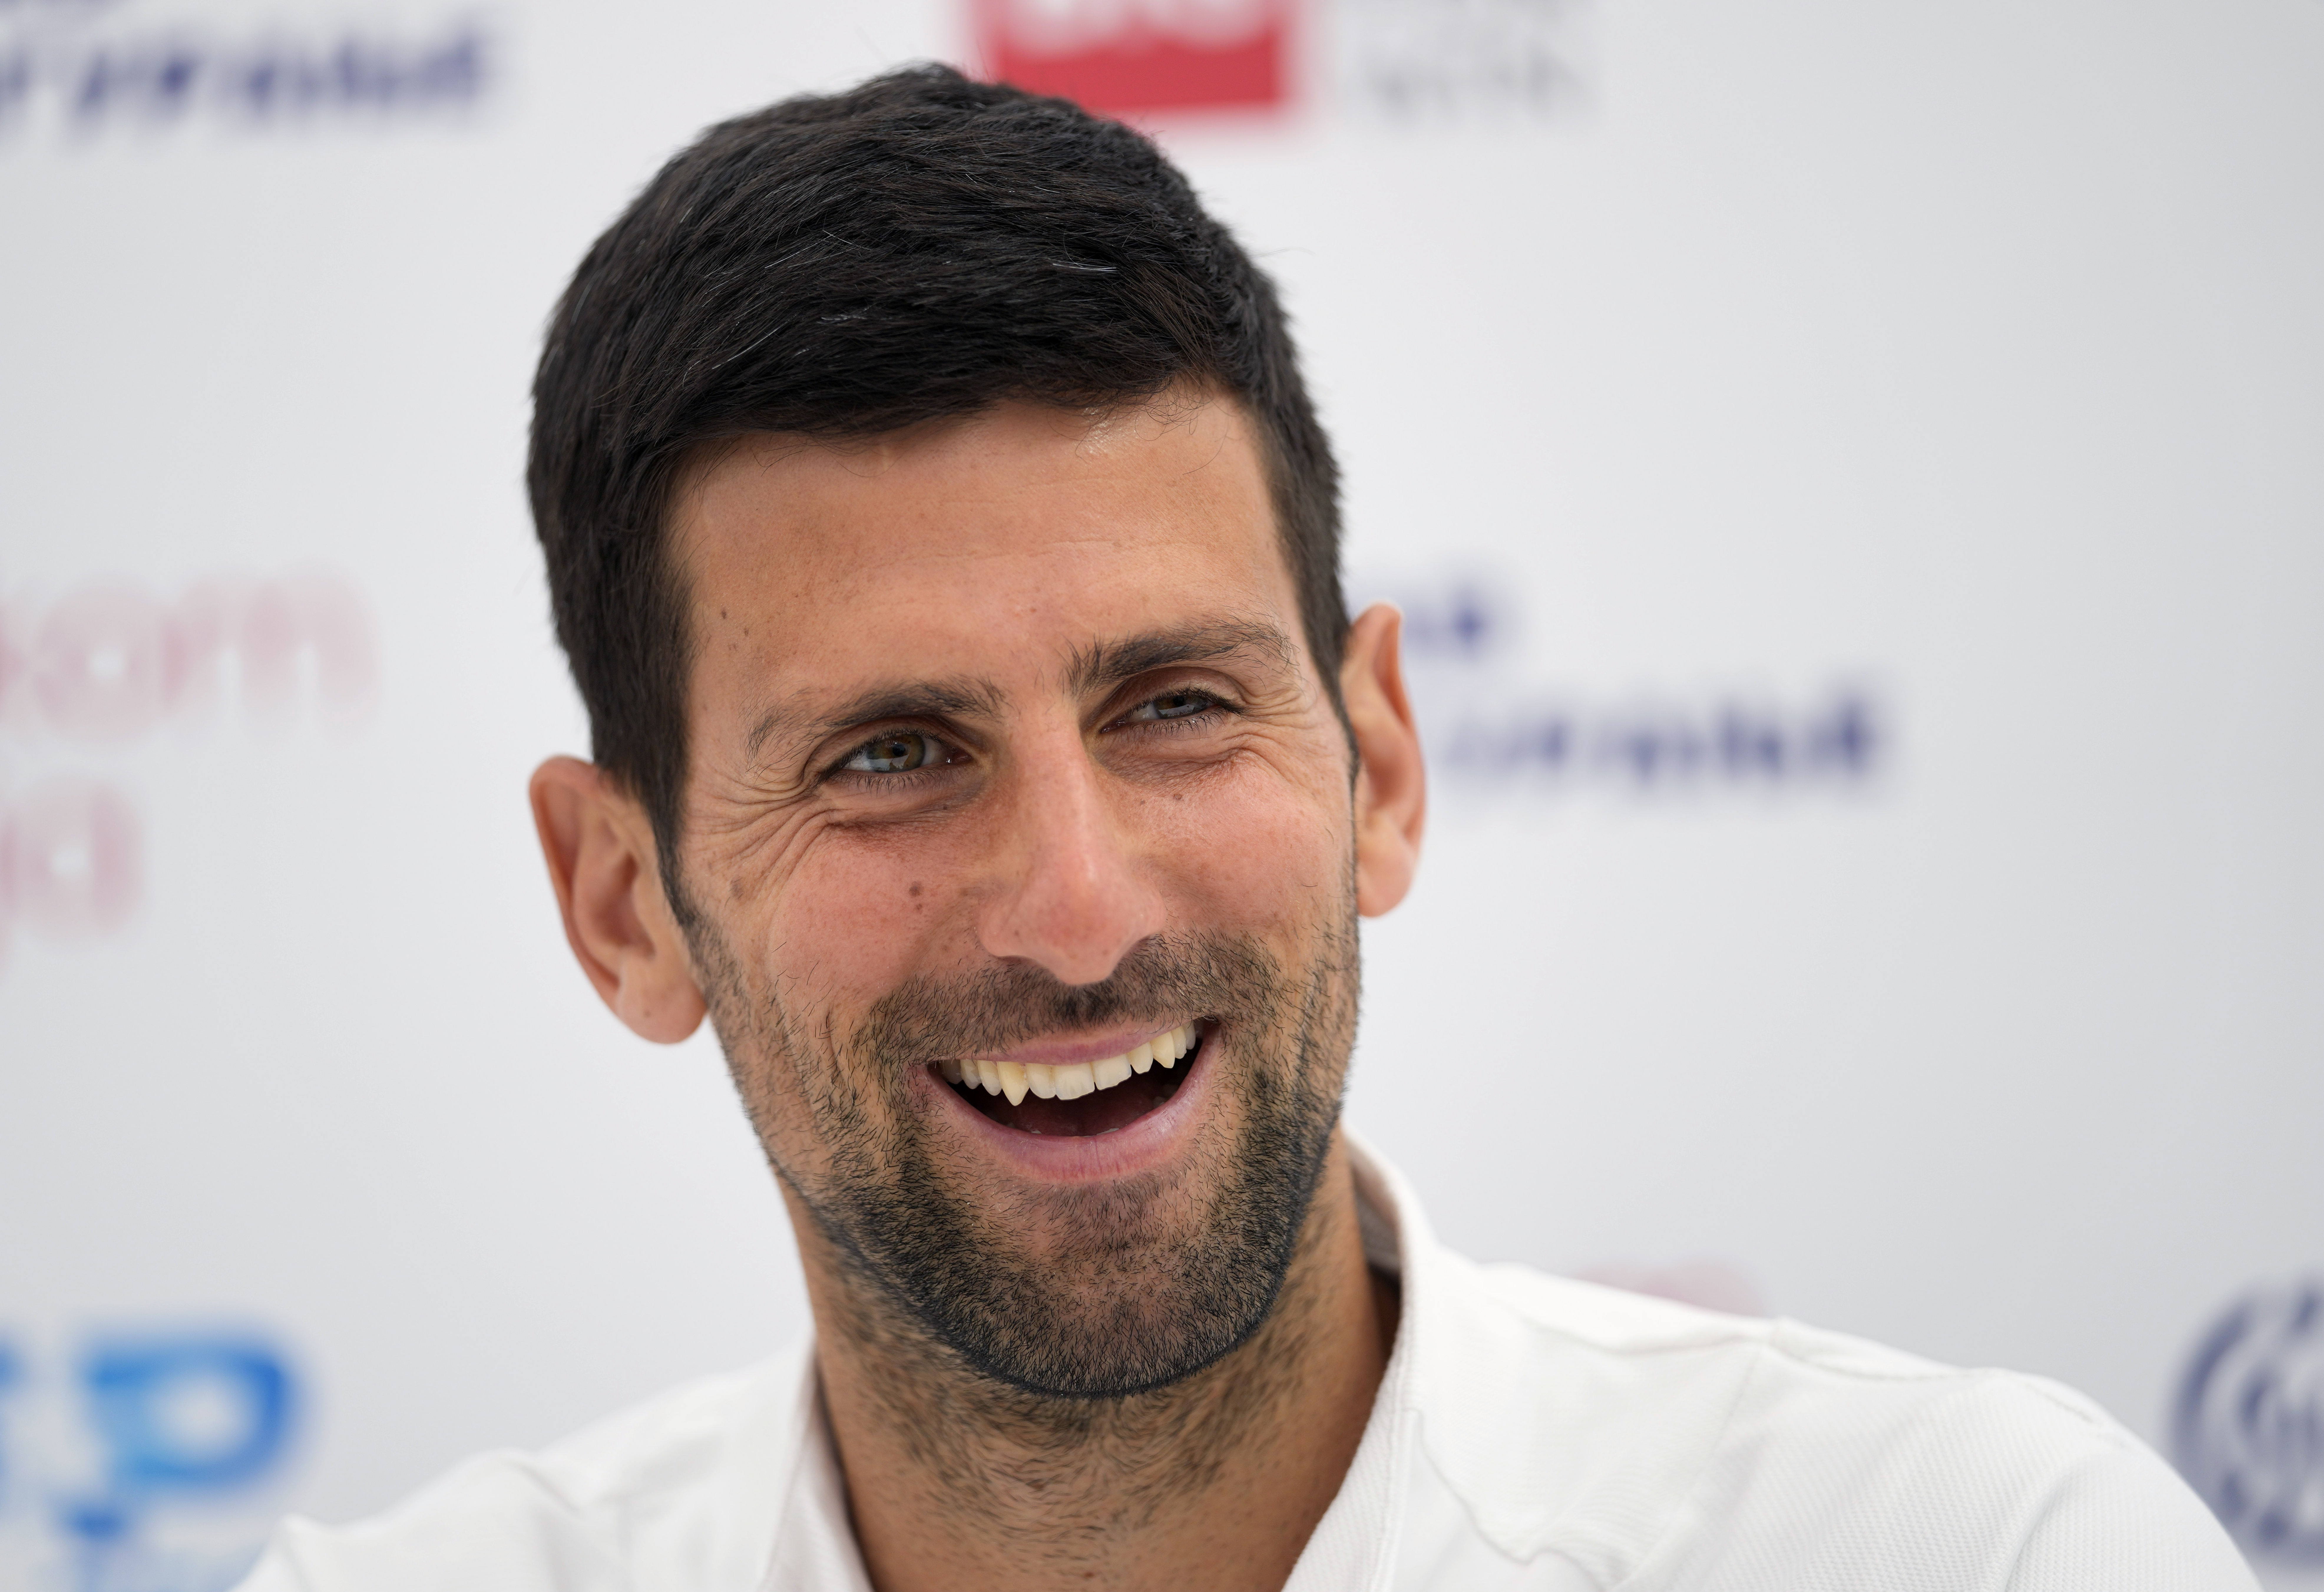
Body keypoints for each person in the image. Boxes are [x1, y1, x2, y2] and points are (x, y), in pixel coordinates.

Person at [238, 65, 2256, 1592]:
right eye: (887, 757)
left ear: (1375, 758)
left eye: (1175, 708)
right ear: (624, 906)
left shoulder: (1972, 1558)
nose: (1082, 908)